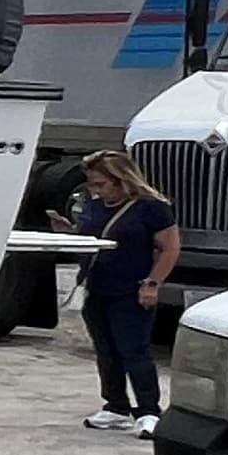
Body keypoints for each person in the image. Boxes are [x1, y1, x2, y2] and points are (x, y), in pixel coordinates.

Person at [59, 148, 182, 435]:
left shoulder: (151, 208)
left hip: (132, 287)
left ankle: (149, 409)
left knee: (134, 349)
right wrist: (68, 233)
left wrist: (153, 283)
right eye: (92, 184)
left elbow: (170, 248)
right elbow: (90, 237)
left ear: (120, 180)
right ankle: (115, 404)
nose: (96, 190)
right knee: (105, 349)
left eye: (101, 184)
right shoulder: (94, 205)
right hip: (97, 286)